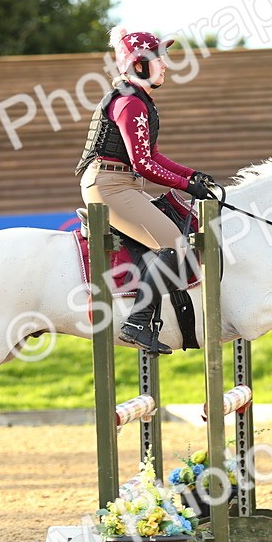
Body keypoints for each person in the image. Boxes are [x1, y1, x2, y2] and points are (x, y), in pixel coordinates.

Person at [75, 26, 218, 355]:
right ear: (139, 64)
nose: (166, 64)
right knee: (174, 244)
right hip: (110, 185)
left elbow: (152, 156)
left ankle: (143, 318)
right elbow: (143, 164)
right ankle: (138, 322)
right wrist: (185, 184)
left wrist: (191, 174)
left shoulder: (136, 100)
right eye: (159, 58)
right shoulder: (130, 104)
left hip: (119, 183)